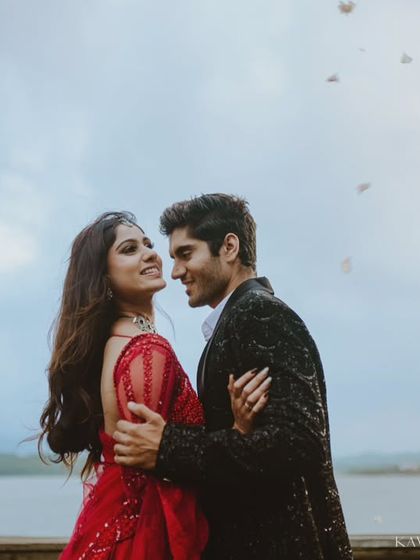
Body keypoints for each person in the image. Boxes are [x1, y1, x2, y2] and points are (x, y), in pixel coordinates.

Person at [113, 194, 354, 560]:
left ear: (228, 247)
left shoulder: (260, 316)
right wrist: (236, 433)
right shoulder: (235, 321)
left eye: (186, 254)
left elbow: (297, 444)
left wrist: (168, 447)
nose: (175, 270)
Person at [38, 211, 270, 560]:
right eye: (130, 249)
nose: (150, 253)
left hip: (118, 526)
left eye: (148, 244)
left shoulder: (119, 339)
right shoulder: (146, 349)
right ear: (104, 276)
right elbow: (154, 464)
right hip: (146, 534)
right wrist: (239, 434)